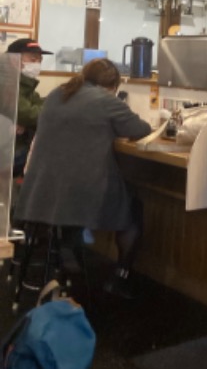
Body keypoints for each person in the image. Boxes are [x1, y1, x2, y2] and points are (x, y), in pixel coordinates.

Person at [14, 58, 152, 298]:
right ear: (113, 86)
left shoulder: (58, 94)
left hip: (41, 191)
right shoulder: (107, 101)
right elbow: (140, 129)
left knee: (85, 190)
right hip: (79, 196)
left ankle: (68, 246)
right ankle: (121, 276)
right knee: (134, 207)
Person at [6, 38, 50, 178]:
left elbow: (43, 107)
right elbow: (32, 115)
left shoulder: (26, 86)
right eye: (33, 59)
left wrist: (25, 124)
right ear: (14, 60)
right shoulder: (6, 84)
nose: (37, 64)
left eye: (40, 60)